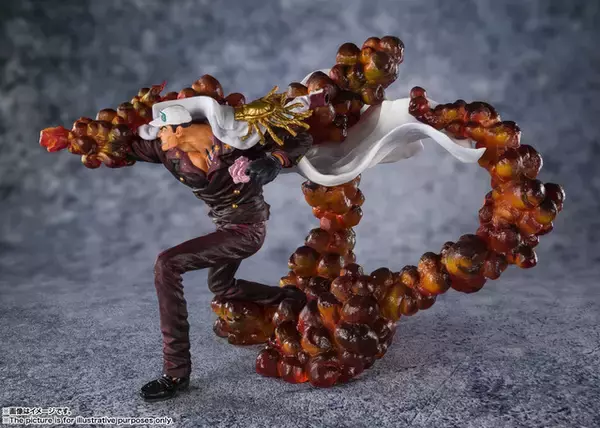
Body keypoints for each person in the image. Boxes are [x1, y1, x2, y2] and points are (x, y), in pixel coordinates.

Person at [132, 104, 311, 401]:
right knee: (221, 287)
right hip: (223, 227)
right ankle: (291, 298)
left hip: (248, 230)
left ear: (179, 129)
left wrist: (276, 159)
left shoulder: (238, 138)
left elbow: (300, 136)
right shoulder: (167, 151)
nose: (157, 135)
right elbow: (123, 146)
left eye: (162, 129)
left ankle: (176, 372)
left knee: (167, 264)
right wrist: (79, 137)